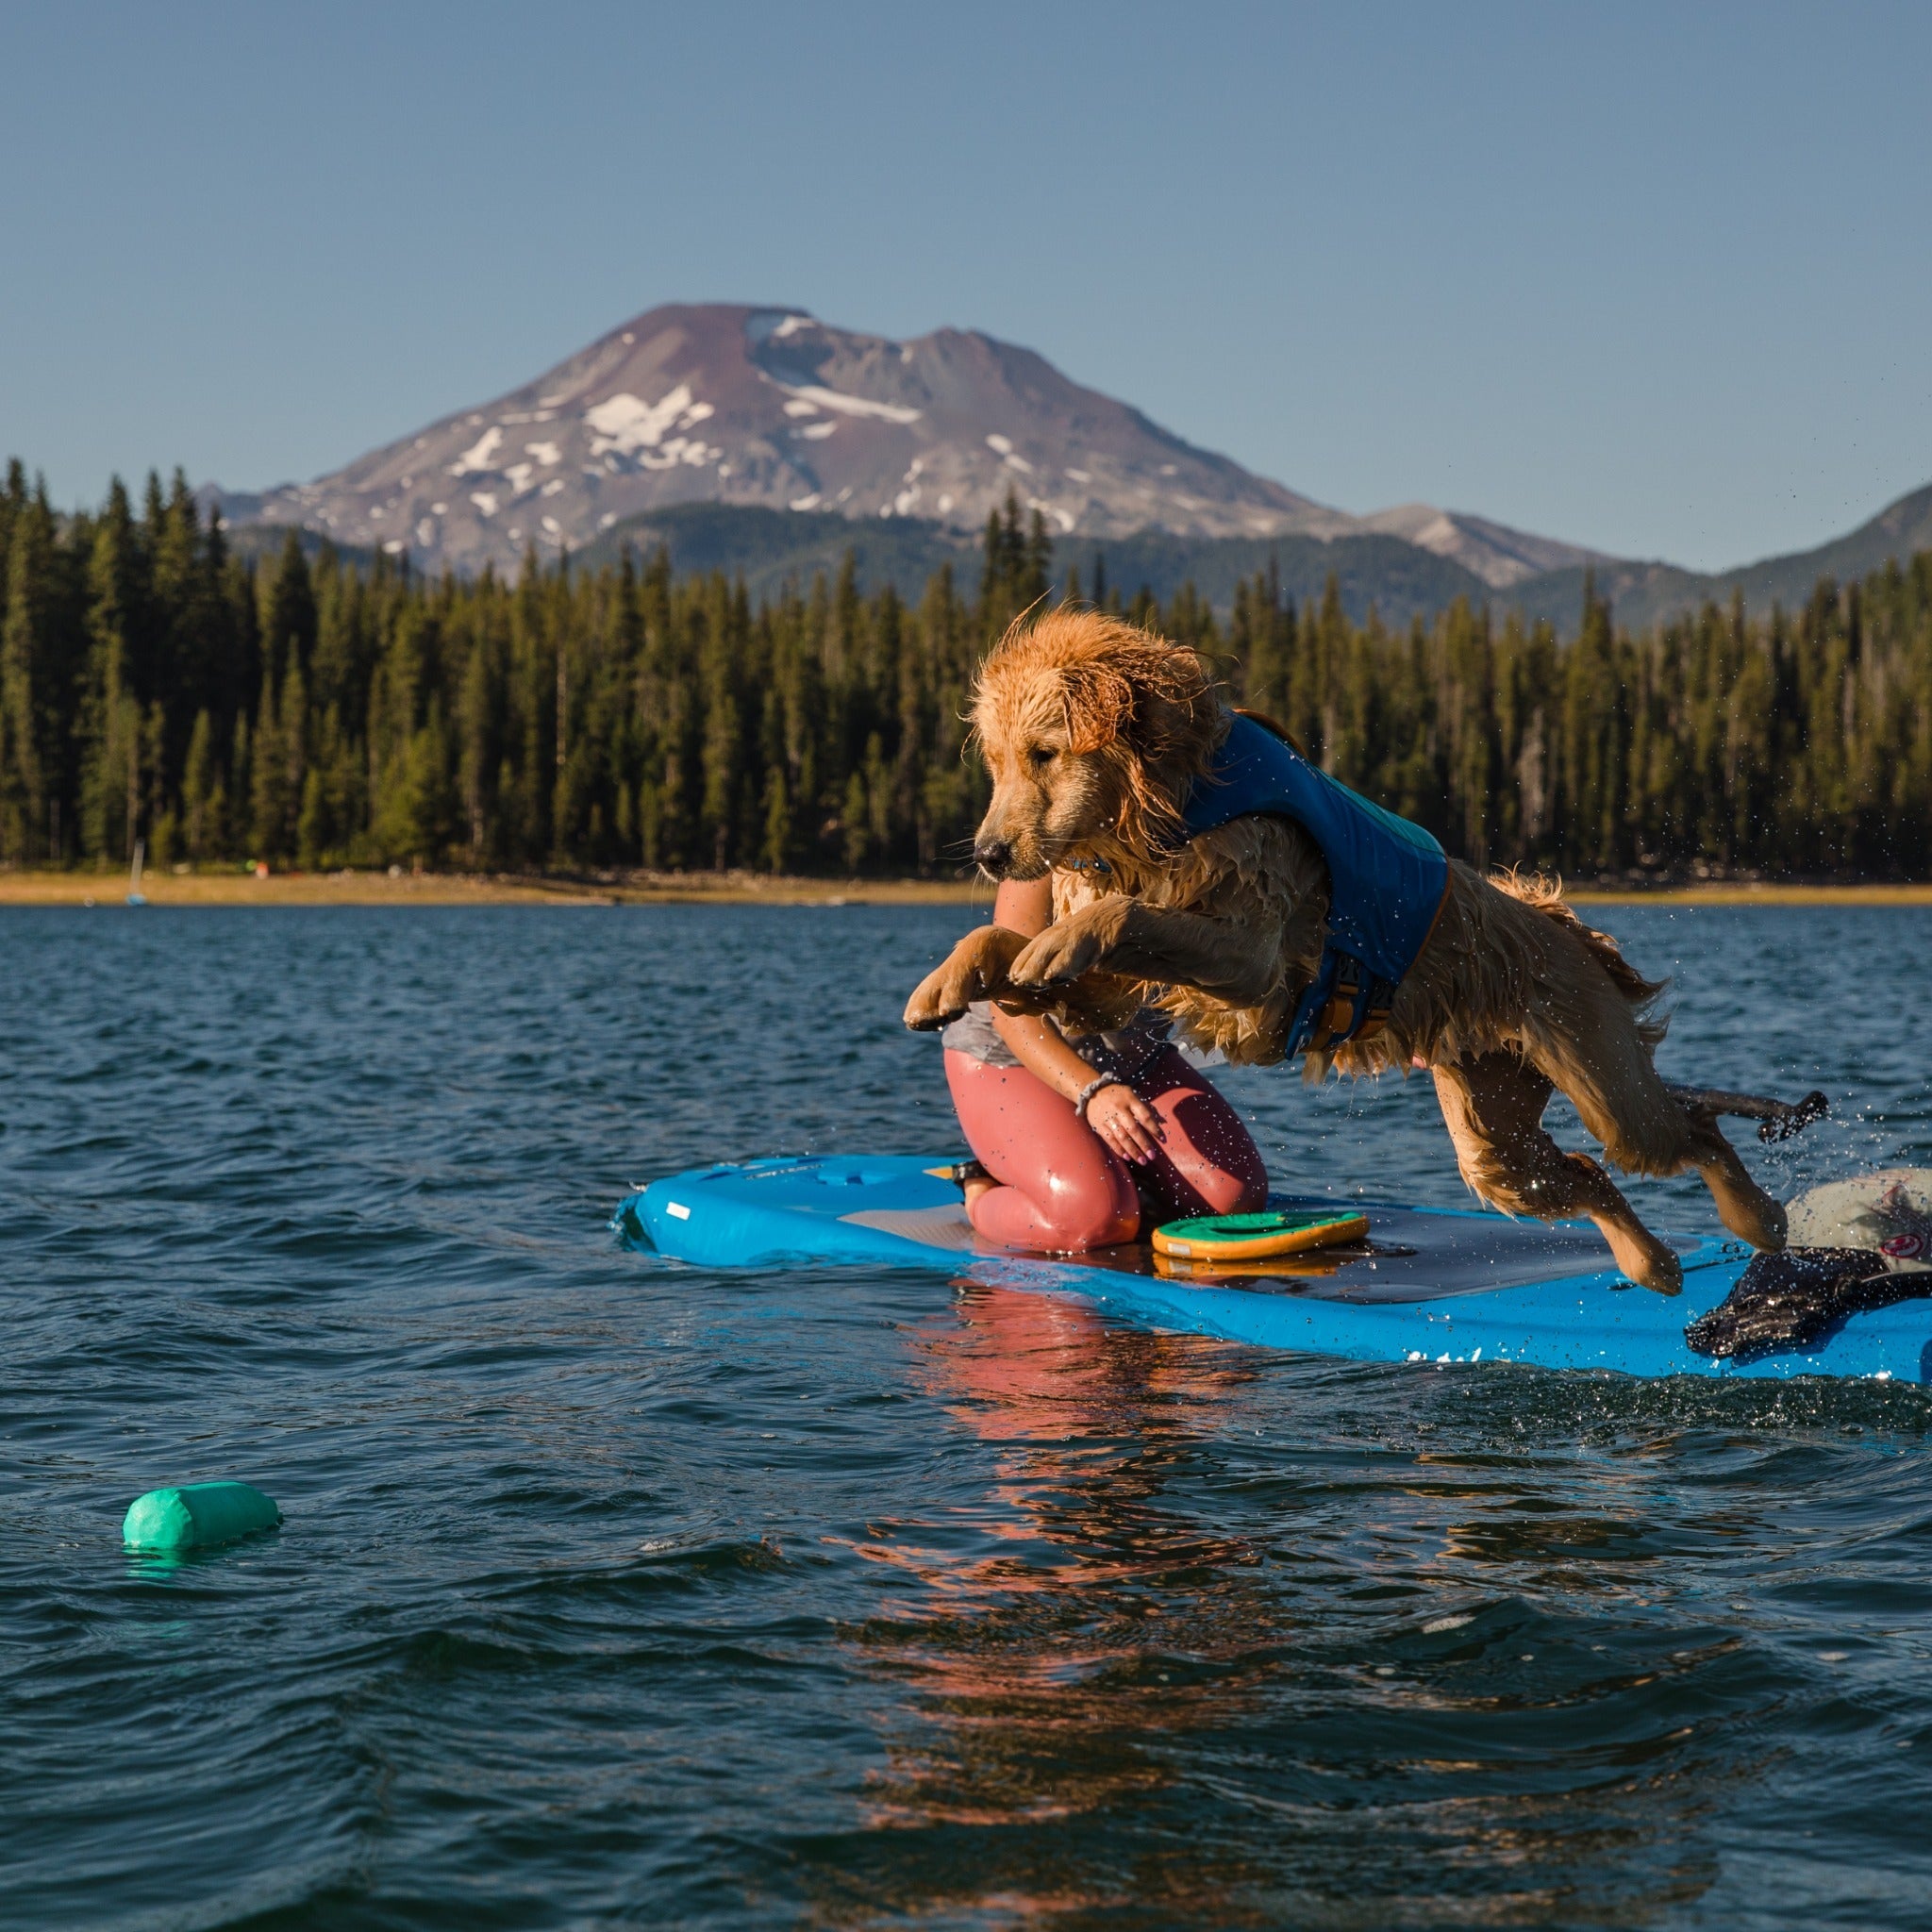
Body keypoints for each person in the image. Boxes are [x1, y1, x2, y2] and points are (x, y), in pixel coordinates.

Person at [941, 876, 1269, 1251]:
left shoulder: (1201, 849)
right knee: (1094, 1222)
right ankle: (979, 1188)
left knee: (1235, 1202)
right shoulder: (1042, 854)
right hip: (1010, 1059)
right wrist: (1093, 1091)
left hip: (1134, 1056)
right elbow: (1013, 1014)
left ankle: (1113, 1173)